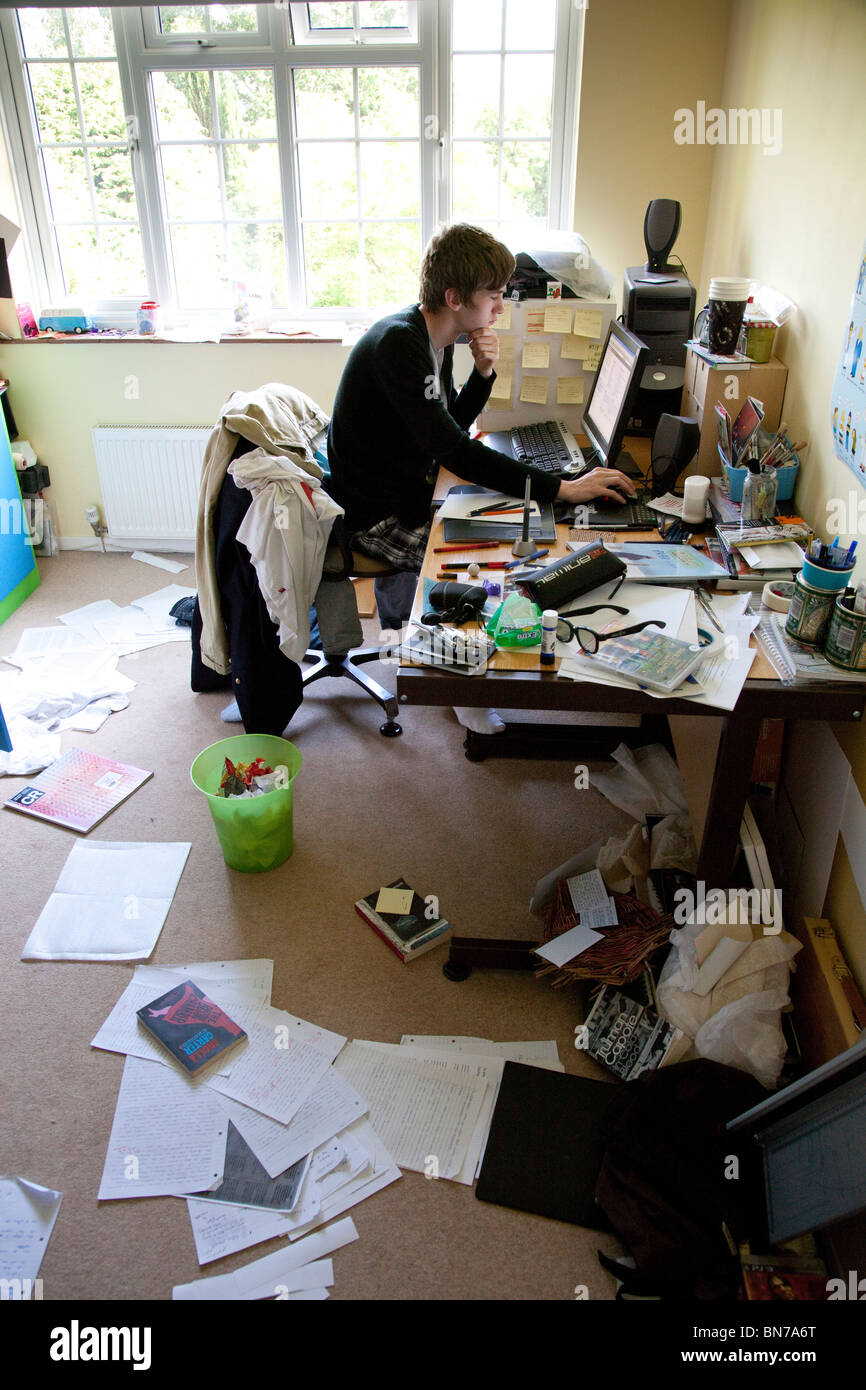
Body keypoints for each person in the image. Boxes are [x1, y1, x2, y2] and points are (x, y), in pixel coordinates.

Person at [326, 223, 636, 732]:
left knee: (519, 526)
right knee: (489, 563)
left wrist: (484, 374)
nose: (500, 307)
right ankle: (460, 683)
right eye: (493, 296)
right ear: (454, 297)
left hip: (406, 489)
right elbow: (452, 448)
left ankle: (441, 652)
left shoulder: (432, 335)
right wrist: (562, 487)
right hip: (374, 517)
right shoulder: (399, 346)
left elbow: (445, 426)